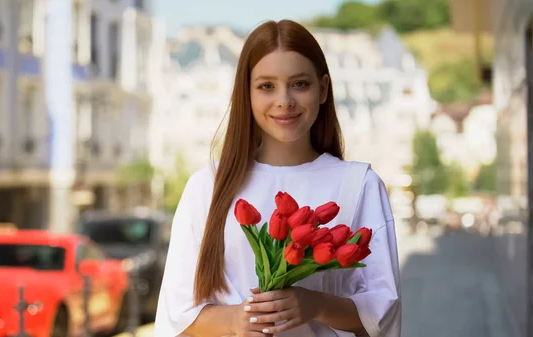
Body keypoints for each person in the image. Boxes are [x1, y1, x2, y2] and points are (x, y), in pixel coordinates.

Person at [155, 19, 401, 337]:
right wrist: (235, 320)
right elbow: (175, 317)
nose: (284, 100)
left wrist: (315, 305)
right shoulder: (207, 187)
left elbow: (384, 314)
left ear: (323, 88)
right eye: (267, 86)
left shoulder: (360, 185)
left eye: (300, 84)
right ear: (247, 93)